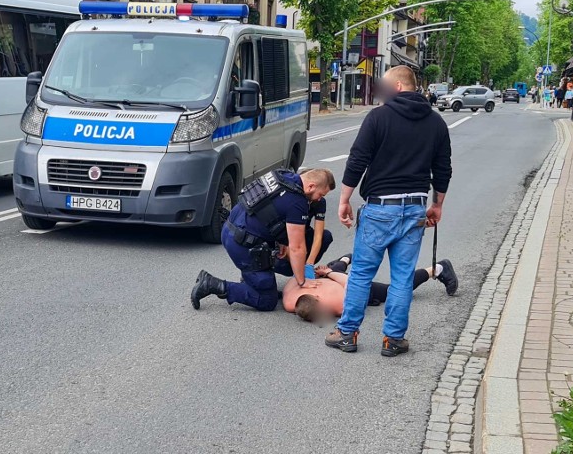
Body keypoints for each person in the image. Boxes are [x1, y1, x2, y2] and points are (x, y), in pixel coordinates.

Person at [327, 65, 452, 357]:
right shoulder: (436, 123)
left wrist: (344, 200)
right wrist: (437, 205)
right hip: (415, 210)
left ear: (397, 86)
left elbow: (357, 160)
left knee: (360, 274)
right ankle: (393, 339)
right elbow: (443, 168)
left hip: (381, 208)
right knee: (402, 276)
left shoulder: (378, 117)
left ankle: (347, 334)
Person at [191, 168, 336, 312]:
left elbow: (269, 212)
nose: (319, 199)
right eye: (320, 194)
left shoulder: (282, 175)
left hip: (231, 229)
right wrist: (302, 281)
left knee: (267, 285)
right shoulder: (297, 201)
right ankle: (212, 284)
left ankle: (254, 281)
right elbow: (297, 247)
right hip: (243, 245)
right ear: (311, 186)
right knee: (267, 301)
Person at [282, 254, 459, 325]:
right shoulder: (290, 301)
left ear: (320, 301)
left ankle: (438, 268)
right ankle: (344, 259)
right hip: (328, 279)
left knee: (395, 291)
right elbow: (295, 280)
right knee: (334, 271)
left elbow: (352, 283)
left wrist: (327, 273)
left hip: (353, 285)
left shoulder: (340, 303)